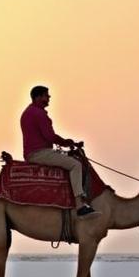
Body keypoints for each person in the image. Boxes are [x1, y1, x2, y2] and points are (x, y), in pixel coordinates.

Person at [20, 86, 97, 218]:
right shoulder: (38, 113)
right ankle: (79, 206)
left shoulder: (29, 112)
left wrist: (67, 143)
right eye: (46, 95)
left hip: (36, 152)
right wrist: (68, 143)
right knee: (75, 165)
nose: (49, 98)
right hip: (40, 153)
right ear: (38, 97)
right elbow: (50, 136)